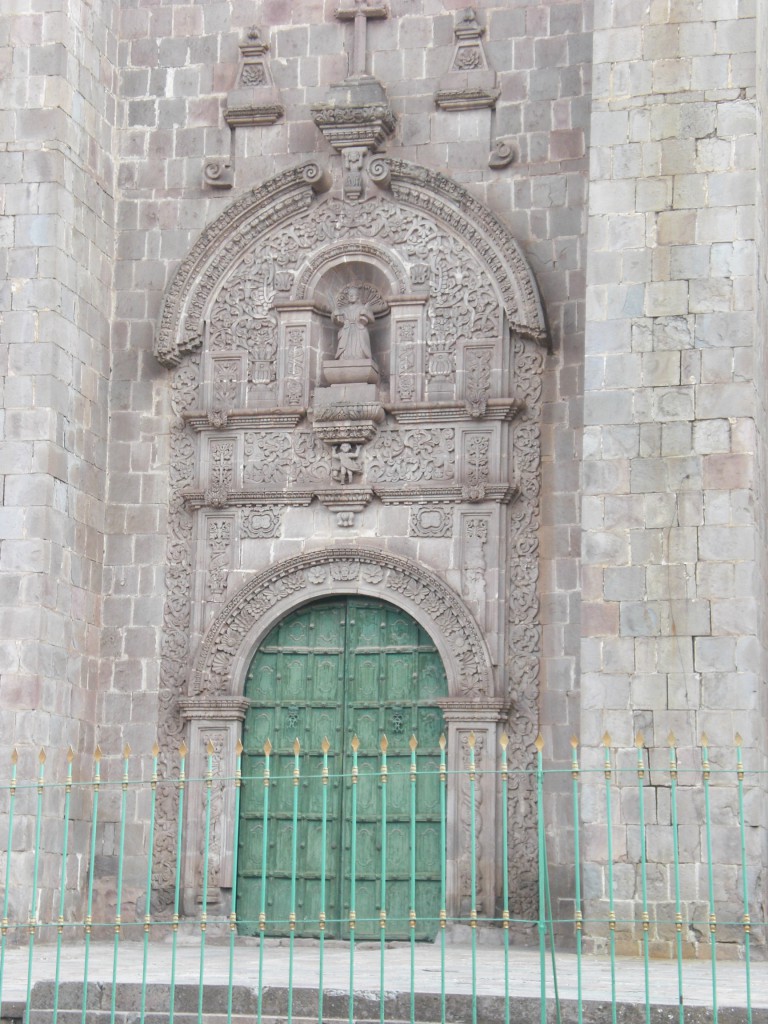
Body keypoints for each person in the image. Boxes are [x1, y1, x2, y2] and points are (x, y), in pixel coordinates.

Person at [332, 286, 374, 360]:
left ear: (357, 296)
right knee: (344, 354)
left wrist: (366, 313)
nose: (351, 296)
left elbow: (372, 319)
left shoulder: (362, 308)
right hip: (346, 332)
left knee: (359, 353)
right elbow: (336, 320)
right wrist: (335, 315)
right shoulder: (342, 309)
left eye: (353, 294)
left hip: (359, 332)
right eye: (349, 294)